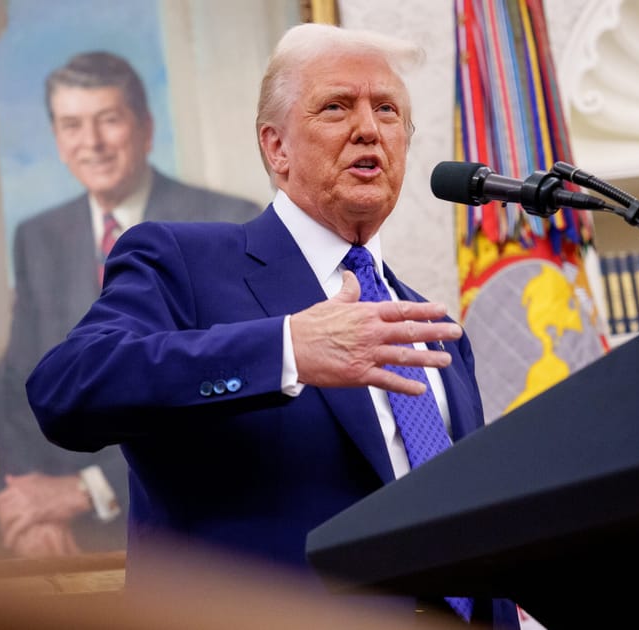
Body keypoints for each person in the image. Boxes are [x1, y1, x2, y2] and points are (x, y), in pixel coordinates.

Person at [26, 24, 519, 628]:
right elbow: (65, 390)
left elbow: (465, 522)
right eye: (336, 106)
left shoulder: (432, 329)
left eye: (387, 110)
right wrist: (285, 349)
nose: (369, 128)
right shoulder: (183, 262)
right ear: (276, 147)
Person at [0, 51, 260, 560]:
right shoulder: (39, 236)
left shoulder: (225, 222)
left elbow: (233, 392)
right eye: (72, 125)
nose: (91, 143)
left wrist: (86, 491)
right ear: (57, 138)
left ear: (145, 128)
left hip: (172, 494)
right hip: (44, 489)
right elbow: (16, 384)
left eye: (108, 120)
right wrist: (27, 500)